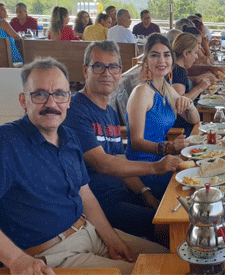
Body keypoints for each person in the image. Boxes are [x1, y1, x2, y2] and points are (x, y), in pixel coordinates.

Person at [0, 57, 167, 275]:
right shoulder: (5, 141)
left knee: (168, 259)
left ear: (68, 101)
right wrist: (17, 259)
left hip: (89, 232)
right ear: (24, 101)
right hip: (55, 256)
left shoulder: (69, 136)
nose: (51, 104)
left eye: (60, 94)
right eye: (40, 94)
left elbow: (84, 192)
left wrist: (111, 238)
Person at [64, 40, 180, 245]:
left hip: (122, 192)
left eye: (113, 67)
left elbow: (120, 159)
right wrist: (156, 167)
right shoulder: (75, 110)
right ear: (85, 70)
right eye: (98, 66)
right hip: (97, 204)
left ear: (120, 72)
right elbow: (103, 163)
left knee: (179, 200)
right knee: (171, 224)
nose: (107, 73)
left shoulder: (108, 112)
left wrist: (145, 194)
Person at [125, 33, 200, 199]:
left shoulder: (165, 87)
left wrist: (188, 103)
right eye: (154, 55)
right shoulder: (142, 92)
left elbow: (194, 120)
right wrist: (169, 148)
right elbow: (136, 142)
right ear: (146, 61)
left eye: (166, 55)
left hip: (163, 162)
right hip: (144, 170)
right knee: (195, 185)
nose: (162, 61)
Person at [171, 33, 212, 136]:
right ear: (185, 54)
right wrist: (200, 88)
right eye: (195, 52)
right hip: (183, 129)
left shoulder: (178, 68)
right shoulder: (178, 71)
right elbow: (180, 103)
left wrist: (196, 80)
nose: (197, 56)